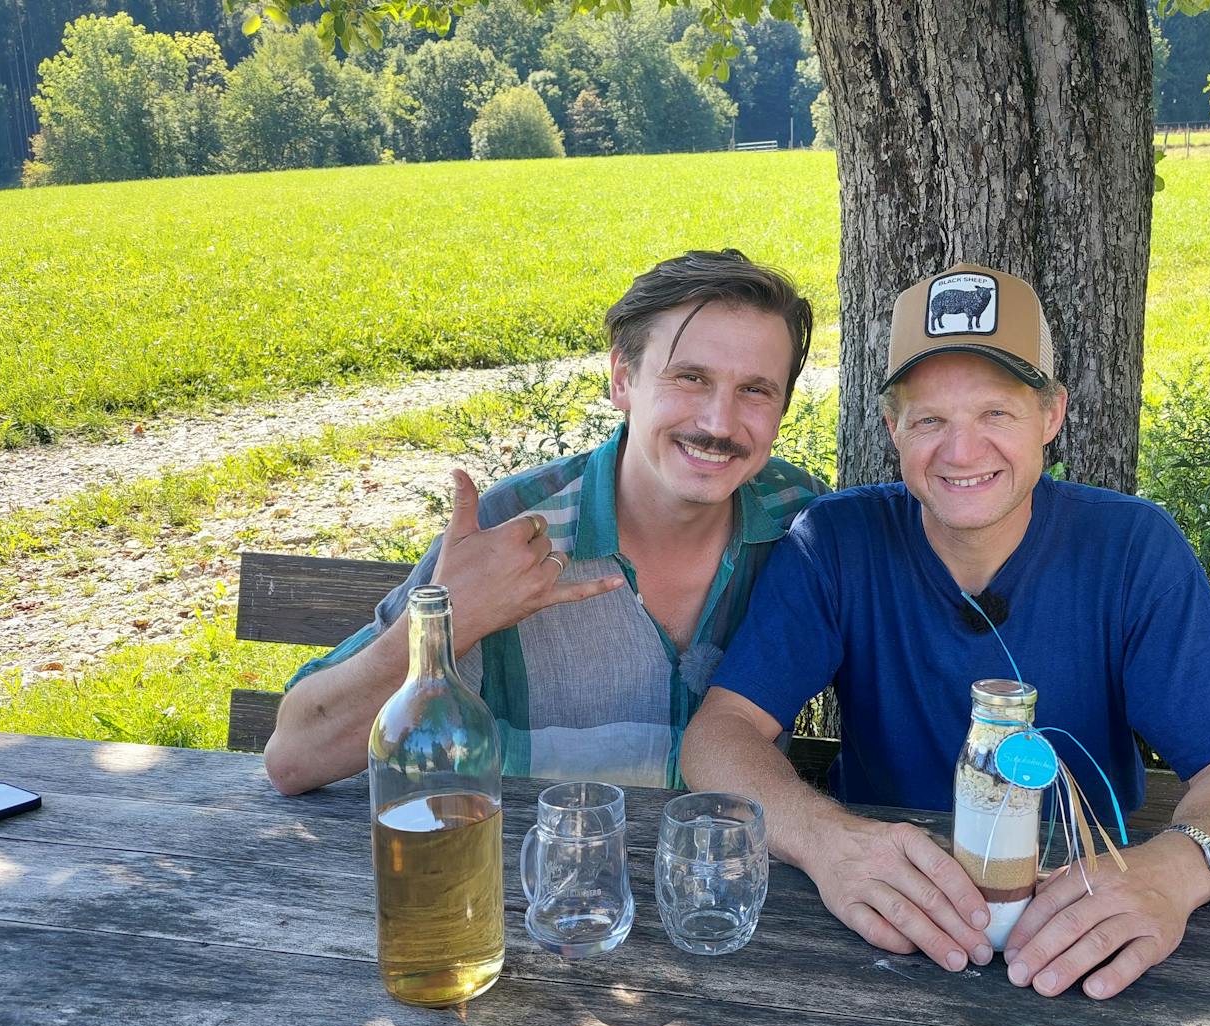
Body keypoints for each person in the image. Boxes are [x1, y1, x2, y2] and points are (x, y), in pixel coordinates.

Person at [681, 262, 1210, 999]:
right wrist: (827, 842)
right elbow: (720, 734)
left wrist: (1174, 871)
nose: (963, 452)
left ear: (1052, 415)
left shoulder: (1130, 549)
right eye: (931, 420)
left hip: (1077, 924)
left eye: (996, 414)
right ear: (892, 429)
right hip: (885, 924)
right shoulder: (838, 543)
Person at [266, 249, 826, 795]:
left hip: (734, 885)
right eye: (690, 378)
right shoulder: (513, 531)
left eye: (755, 389)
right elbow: (294, 757)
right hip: (532, 883)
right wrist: (449, 623)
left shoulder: (803, 522)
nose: (718, 422)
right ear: (622, 380)